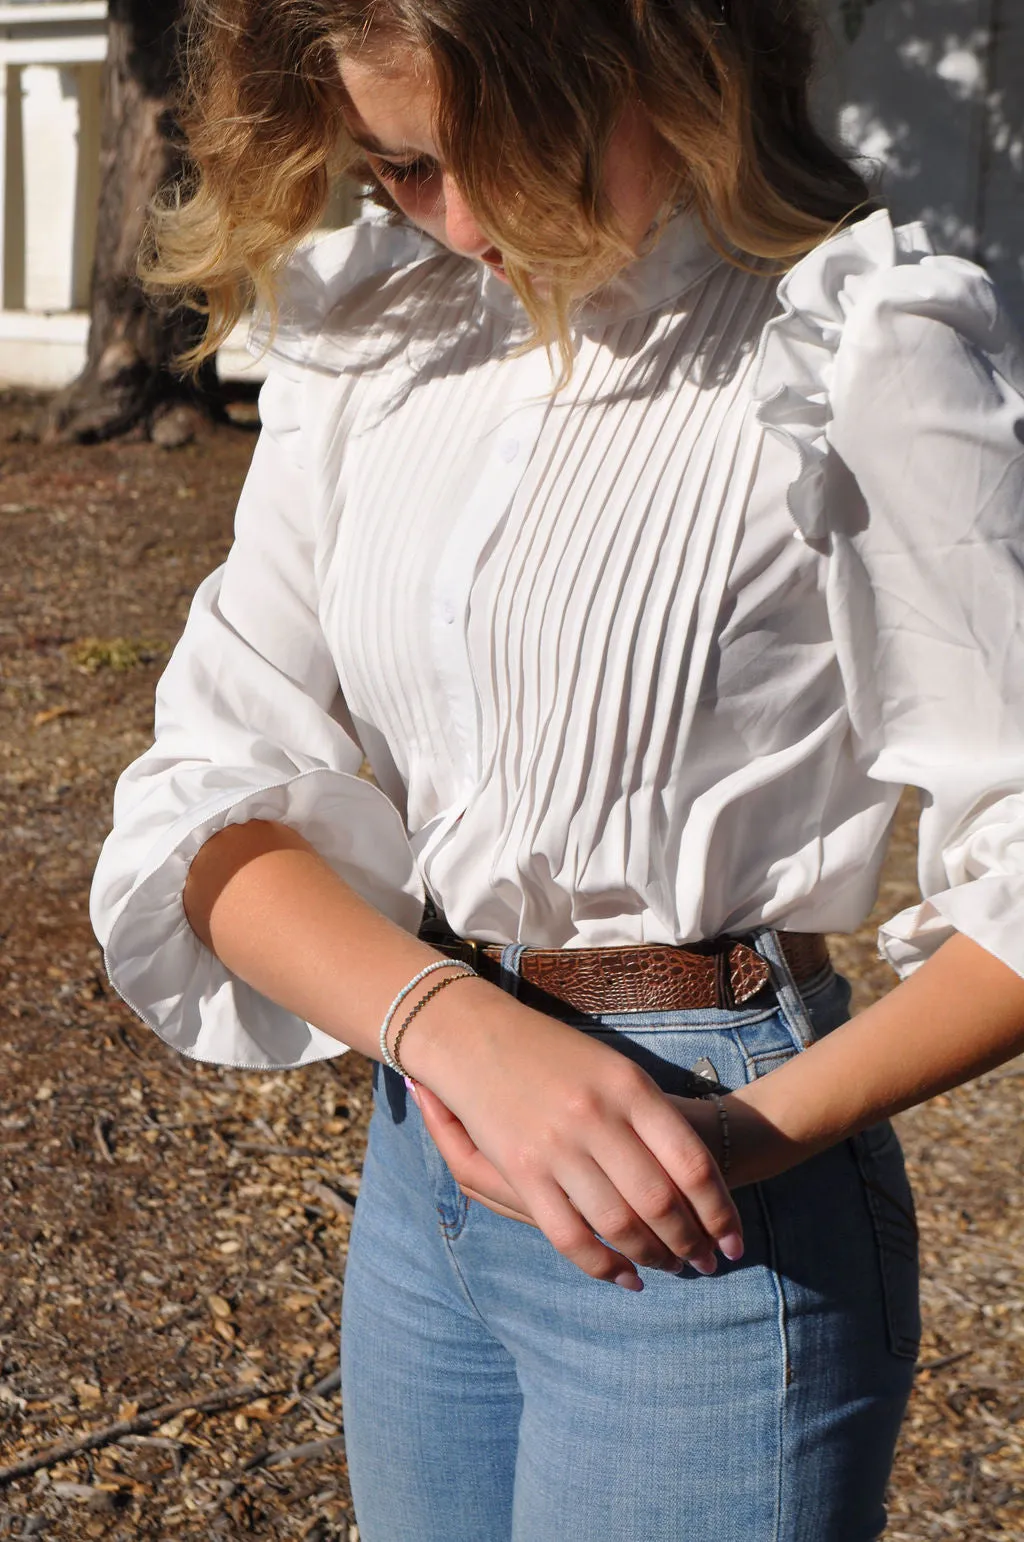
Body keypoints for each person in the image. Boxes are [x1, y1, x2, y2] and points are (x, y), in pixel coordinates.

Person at [90, 1, 1024, 1537]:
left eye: (508, 150)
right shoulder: (376, 337)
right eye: (397, 166)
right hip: (422, 1158)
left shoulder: (864, 340)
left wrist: (747, 1136)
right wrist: (446, 1023)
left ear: (670, 65)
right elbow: (202, 792)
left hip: (703, 1197)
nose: (456, 218)